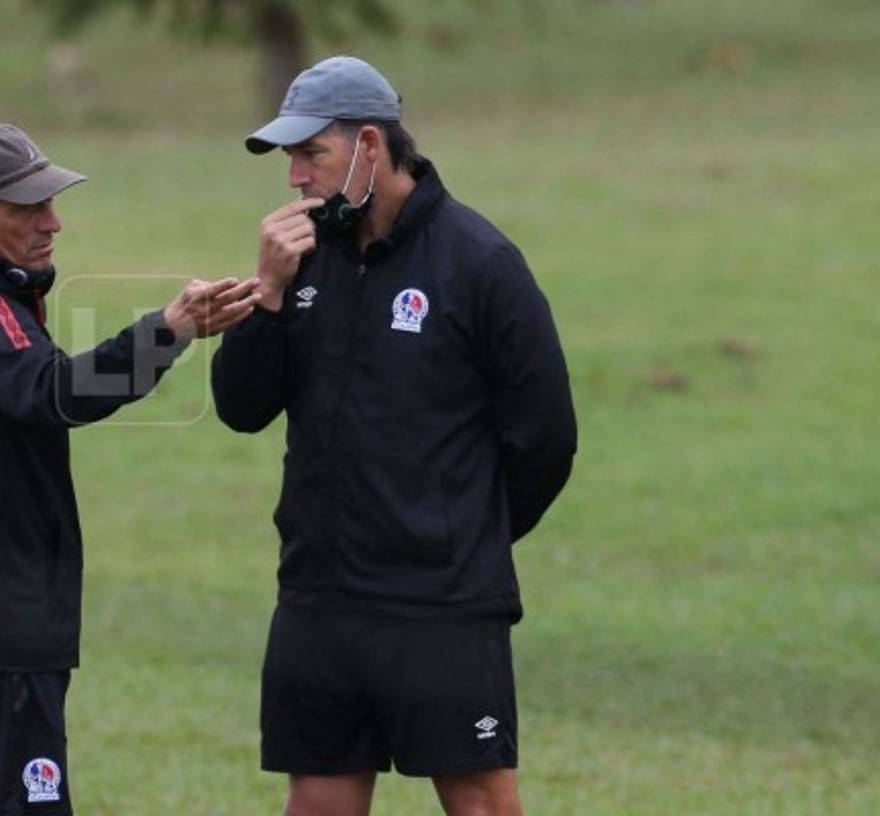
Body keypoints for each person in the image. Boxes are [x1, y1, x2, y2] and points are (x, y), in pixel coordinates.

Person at [211, 57, 578, 816]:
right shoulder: (302, 260)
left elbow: (546, 437)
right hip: (320, 595)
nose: (294, 178)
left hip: (439, 601)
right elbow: (241, 408)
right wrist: (269, 294)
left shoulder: (481, 262)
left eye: (311, 154)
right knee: (316, 802)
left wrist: (463, 534)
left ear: (370, 146)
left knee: (479, 800)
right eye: (289, 158)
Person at [0, 122, 257, 816]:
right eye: (28, 208)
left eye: (50, 201)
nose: (53, 221)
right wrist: (167, 332)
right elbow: (55, 393)